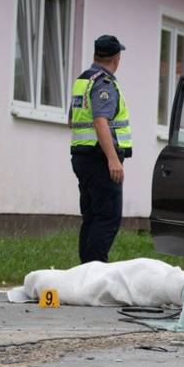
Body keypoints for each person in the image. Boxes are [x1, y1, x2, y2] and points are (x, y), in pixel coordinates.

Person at [69, 35, 133, 263]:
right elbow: (100, 121)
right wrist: (113, 160)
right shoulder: (104, 83)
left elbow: (72, 120)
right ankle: (95, 272)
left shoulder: (83, 80)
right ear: (117, 58)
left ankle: (85, 272)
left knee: (92, 217)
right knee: (107, 218)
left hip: (82, 156)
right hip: (99, 159)